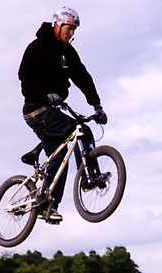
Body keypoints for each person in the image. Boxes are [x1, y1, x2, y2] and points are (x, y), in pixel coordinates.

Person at [18, 7, 107, 222]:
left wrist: (97, 105)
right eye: (69, 28)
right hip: (36, 109)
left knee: (59, 157)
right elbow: (24, 74)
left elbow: (83, 78)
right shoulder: (38, 47)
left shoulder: (68, 53)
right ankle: (89, 178)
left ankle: (47, 206)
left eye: (74, 29)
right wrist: (45, 94)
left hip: (50, 110)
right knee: (81, 130)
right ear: (58, 26)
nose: (72, 33)